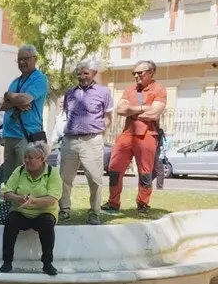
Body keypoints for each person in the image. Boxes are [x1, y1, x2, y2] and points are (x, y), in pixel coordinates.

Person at [105, 60, 167, 215]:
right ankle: (113, 203)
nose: (136, 76)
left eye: (140, 73)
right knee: (114, 168)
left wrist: (131, 110)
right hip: (127, 133)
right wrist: (142, 108)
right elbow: (120, 110)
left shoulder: (159, 90)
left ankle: (143, 204)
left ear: (151, 72)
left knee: (145, 172)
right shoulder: (130, 89)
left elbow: (154, 114)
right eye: (134, 73)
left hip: (148, 134)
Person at [59, 59, 113, 225]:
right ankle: (64, 210)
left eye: (86, 73)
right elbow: (67, 114)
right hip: (70, 140)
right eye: (79, 73)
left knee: (95, 179)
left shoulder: (104, 92)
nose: (82, 77)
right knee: (64, 178)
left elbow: (109, 117)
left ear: (94, 74)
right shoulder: (70, 92)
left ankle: (94, 212)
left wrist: (98, 132)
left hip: (92, 139)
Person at [0, 144, 62, 276]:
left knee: (47, 223)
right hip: (22, 212)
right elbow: (5, 192)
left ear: (41, 159)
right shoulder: (20, 170)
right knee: (11, 221)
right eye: (25, 157)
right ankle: (7, 261)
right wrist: (18, 197)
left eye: (31, 158)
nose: (27, 161)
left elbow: (53, 199)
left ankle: (47, 263)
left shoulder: (52, 173)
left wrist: (33, 200)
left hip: (44, 212)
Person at [0, 45, 49, 187]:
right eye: (19, 60)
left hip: (27, 136)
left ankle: (25, 207)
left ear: (35, 59)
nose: (22, 62)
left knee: (25, 175)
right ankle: (9, 207)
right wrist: (15, 101)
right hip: (10, 135)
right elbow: (1, 106)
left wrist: (9, 96)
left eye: (26, 59)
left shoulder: (39, 79)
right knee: (9, 177)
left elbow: (25, 100)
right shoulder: (15, 81)